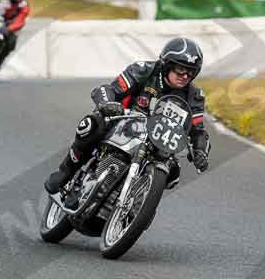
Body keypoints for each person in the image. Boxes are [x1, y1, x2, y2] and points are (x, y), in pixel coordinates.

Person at [45, 37, 211, 195]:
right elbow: (107, 89)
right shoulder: (144, 70)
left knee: (173, 174)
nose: (185, 76)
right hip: (123, 125)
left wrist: (200, 152)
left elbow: (198, 131)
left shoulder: (194, 96)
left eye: (191, 72)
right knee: (91, 125)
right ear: (167, 65)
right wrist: (107, 104)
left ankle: (137, 202)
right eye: (180, 69)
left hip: (157, 144)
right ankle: (66, 172)